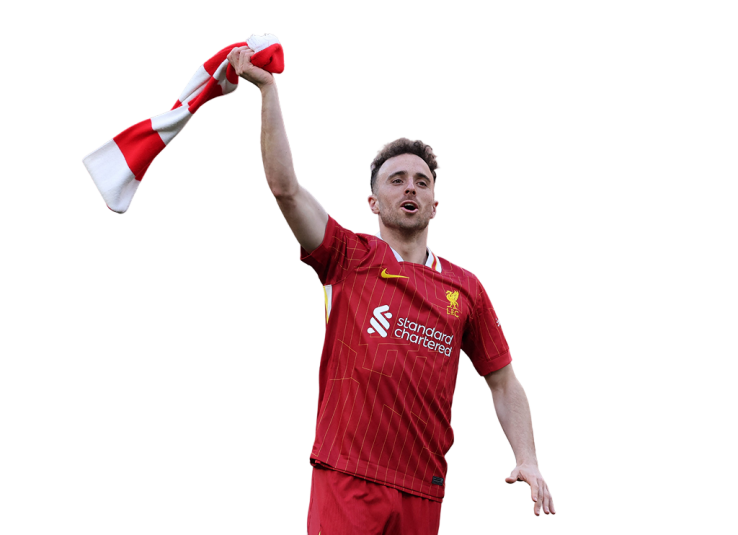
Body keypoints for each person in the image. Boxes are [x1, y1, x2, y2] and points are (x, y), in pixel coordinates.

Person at [227, 46, 556, 534]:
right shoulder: (347, 254)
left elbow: (503, 382)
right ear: (373, 202)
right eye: (396, 180)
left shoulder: (467, 287)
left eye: (422, 182)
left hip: (424, 489)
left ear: (435, 204)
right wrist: (269, 90)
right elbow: (285, 188)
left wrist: (527, 458)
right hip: (347, 477)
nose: (410, 188)